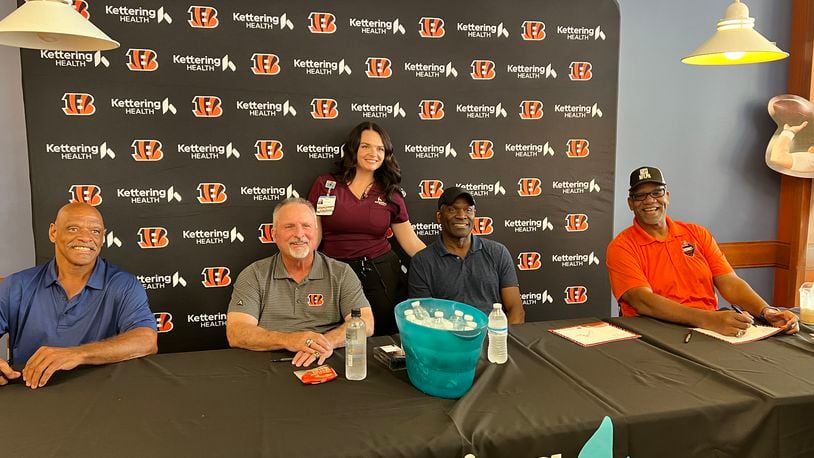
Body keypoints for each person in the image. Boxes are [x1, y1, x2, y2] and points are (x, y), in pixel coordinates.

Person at [606, 166, 799, 336]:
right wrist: (708, 320)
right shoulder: (622, 246)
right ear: (631, 203)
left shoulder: (696, 233)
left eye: (657, 192)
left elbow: (729, 282)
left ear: (667, 196)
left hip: (710, 329)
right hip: (655, 332)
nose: (649, 200)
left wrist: (766, 311)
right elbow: (643, 301)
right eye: (640, 195)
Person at [0, 203, 157, 389]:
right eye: (73, 228)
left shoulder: (124, 285)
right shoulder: (16, 285)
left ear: (102, 238)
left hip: (100, 392)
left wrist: (77, 354)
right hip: (30, 391)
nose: (85, 238)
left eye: (95, 231)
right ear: (53, 232)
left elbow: (146, 341)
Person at [226, 198, 374, 367]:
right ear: (274, 234)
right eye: (289, 226)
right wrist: (289, 340)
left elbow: (366, 323)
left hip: (326, 359)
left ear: (316, 232)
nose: (299, 234)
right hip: (268, 364)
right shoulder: (253, 274)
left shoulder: (341, 273)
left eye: (306, 226)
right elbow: (236, 332)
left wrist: (323, 343)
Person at [307, 122, 425, 336]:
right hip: (335, 273)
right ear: (353, 149)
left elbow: (411, 243)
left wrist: (446, 264)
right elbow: (314, 237)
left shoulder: (391, 194)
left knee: (382, 336)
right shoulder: (325, 185)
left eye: (380, 149)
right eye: (366, 146)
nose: (374, 153)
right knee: (337, 337)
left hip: (380, 274)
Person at [407, 187, 525, 323]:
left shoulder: (498, 252)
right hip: (447, 341)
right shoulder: (422, 261)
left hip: (493, 339)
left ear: (474, 214)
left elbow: (516, 309)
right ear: (439, 216)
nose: (462, 215)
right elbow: (423, 319)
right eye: (452, 209)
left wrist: (500, 341)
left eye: (468, 210)